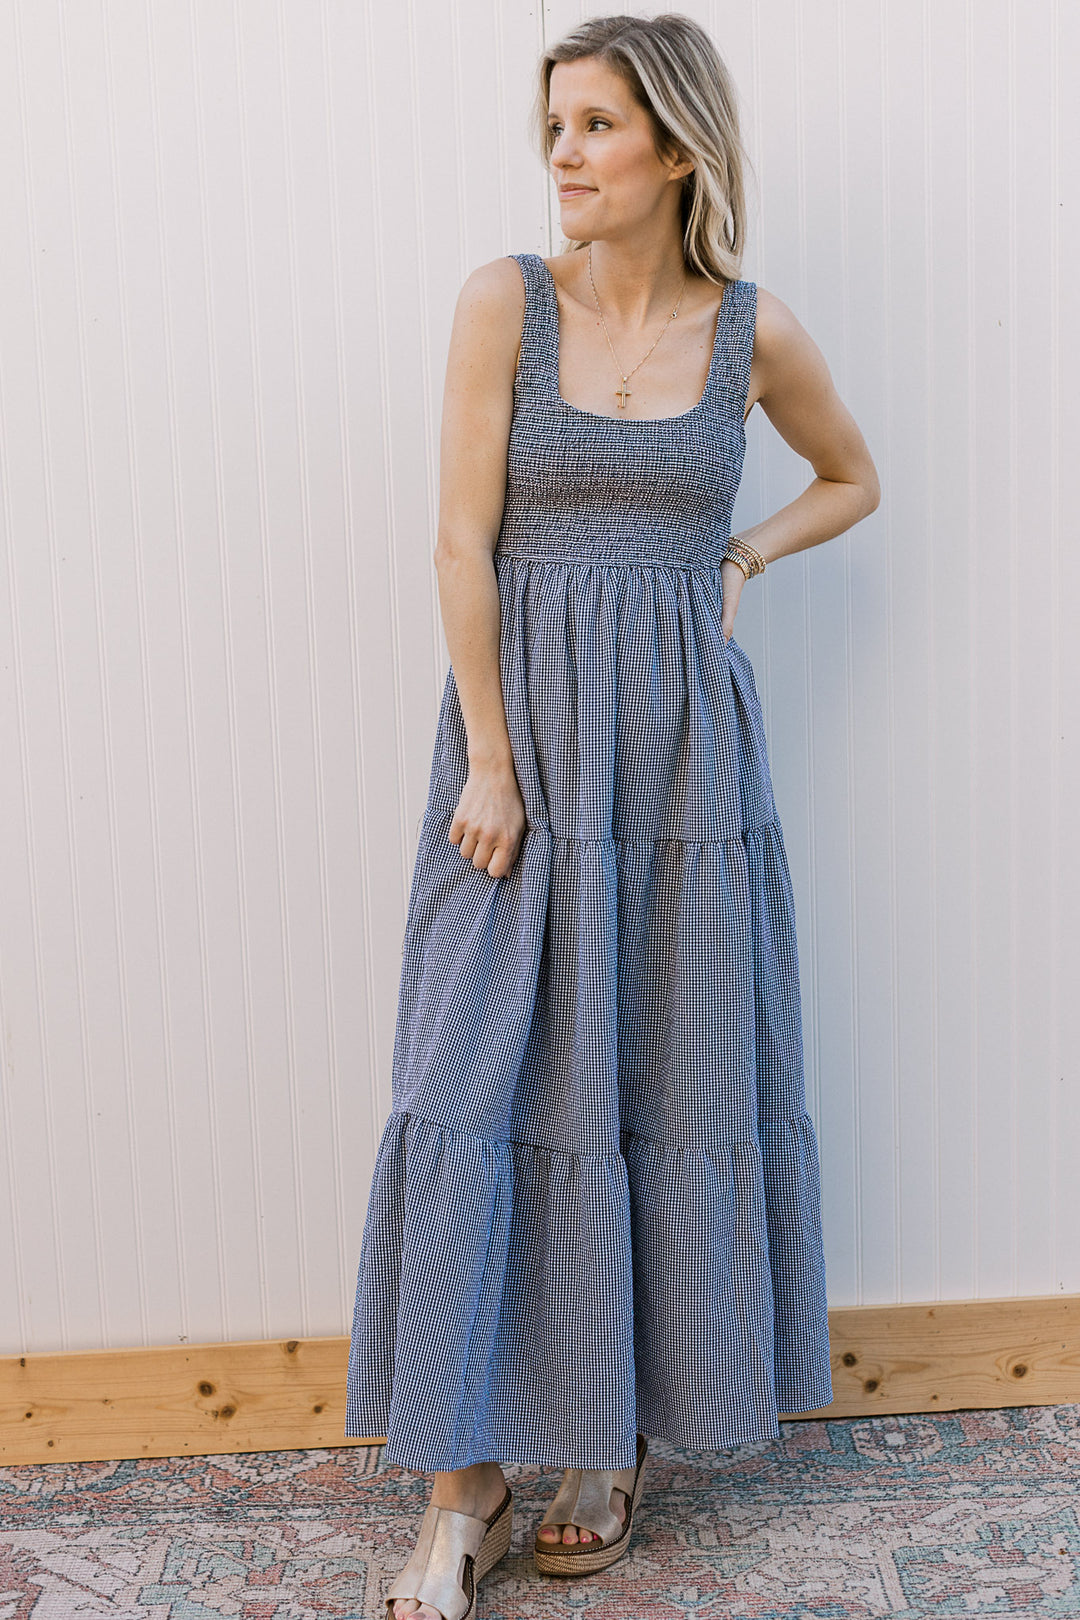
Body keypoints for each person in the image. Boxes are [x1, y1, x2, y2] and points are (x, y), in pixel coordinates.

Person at [345, 13, 880, 1619]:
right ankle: (459, 1490)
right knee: (473, 1078)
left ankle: (608, 1440)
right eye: (555, 127)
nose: (563, 155)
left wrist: (742, 556)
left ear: (678, 150)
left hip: (685, 767)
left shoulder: (752, 333)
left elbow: (852, 475)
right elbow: (460, 542)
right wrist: (492, 763)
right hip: (522, 752)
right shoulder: (503, 303)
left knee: (659, 1075)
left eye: (593, 127)